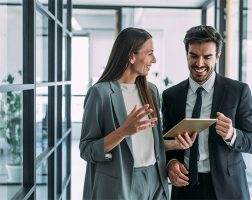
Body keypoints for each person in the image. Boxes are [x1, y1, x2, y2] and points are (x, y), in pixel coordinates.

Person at [79, 27, 196, 200]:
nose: (154, 60)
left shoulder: (151, 91)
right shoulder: (100, 94)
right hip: (120, 184)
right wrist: (123, 132)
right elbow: (87, 150)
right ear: (131, 56)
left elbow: (147, 142)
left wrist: (175, 145)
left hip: (155, 180)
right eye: (149, 53)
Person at [162, 25, 252, 200]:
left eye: (207, 57)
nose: (199, 64)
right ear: (187, 55)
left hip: (228, 188)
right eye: (193, 56)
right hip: (185, 187)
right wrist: (171, 163)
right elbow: (166, 140)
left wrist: (232, 135)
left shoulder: (238, 91)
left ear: (217, 56)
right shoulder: (171, 95)